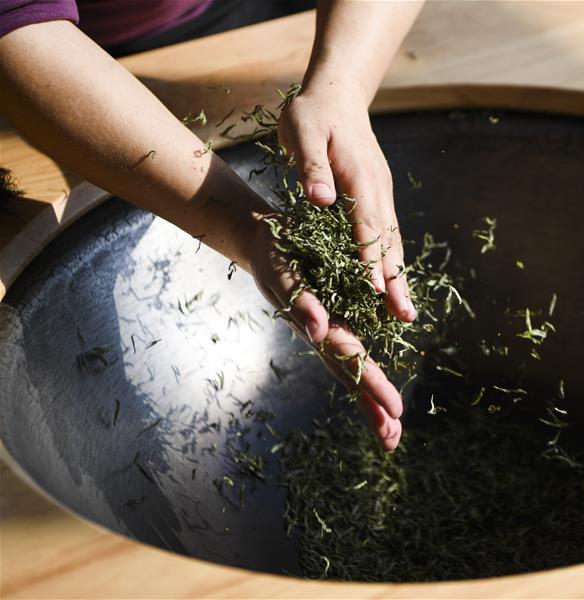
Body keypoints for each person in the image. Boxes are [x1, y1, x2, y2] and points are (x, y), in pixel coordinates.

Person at [0, 0, 426, 450]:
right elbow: (15, 21)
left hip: (216, 25)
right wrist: (247, 228)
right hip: (45, 63)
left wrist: (343, 84)